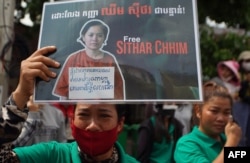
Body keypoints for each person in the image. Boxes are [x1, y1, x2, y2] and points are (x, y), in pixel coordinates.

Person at [0, 46, 138, 163]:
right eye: (84, 115)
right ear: (72, 119)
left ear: (120, 123)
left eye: (104, 116)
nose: (93, 125)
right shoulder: (51, 156)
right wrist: (21, 93)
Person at [53, 19, 125, 100]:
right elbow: (63, 92)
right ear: (83, 37)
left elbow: (119, 91)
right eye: (91, 35)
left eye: (100, 35)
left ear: (104, 38)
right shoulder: (73, 59)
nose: (95, 39)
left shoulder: (110, 59)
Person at [174, 81, 242, 163]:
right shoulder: (186, 145)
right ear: (198, 111)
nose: (221, 118)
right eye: (214, 111)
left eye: (226, 113)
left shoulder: (226, 139)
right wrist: (231, 143)